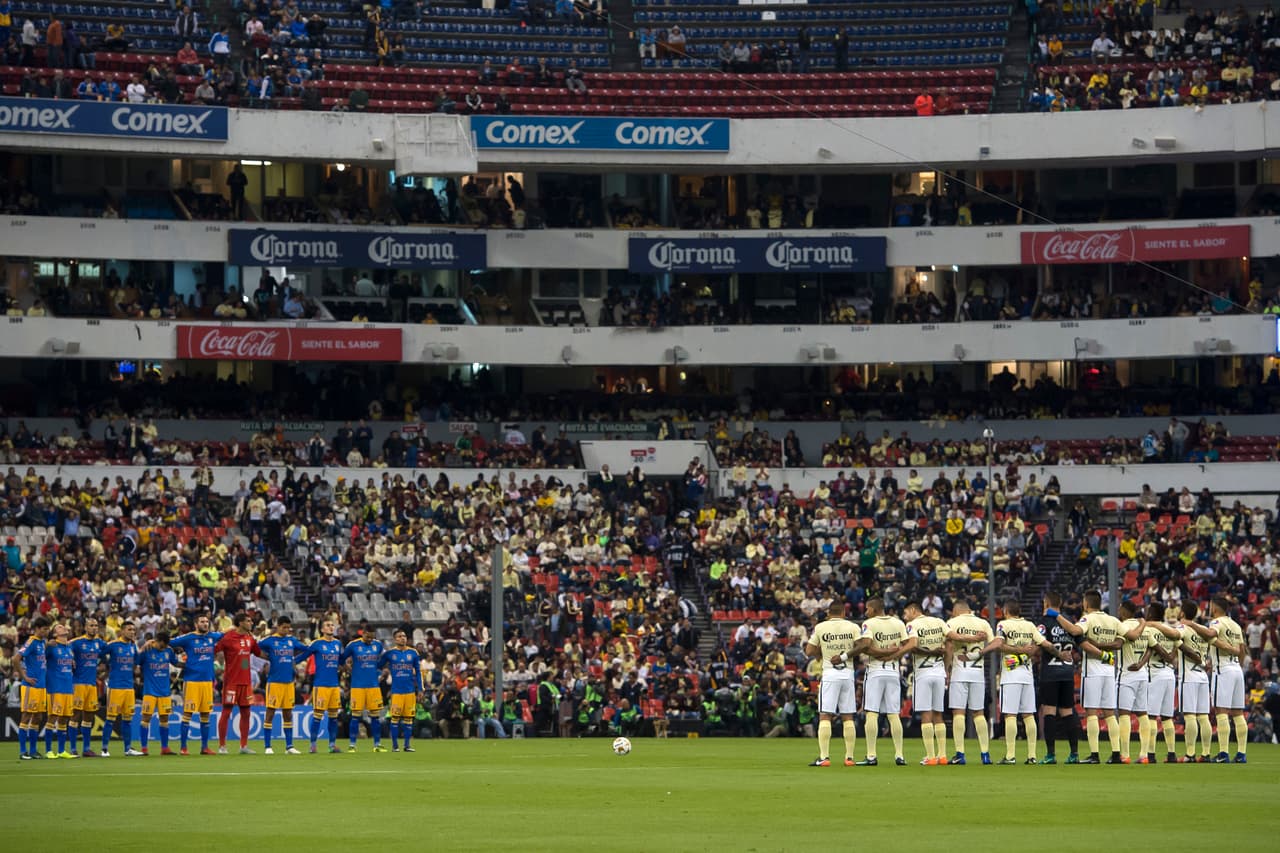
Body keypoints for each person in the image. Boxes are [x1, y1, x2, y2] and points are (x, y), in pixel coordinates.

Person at [1052, 590, 1130, 763]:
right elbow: (1129, 636)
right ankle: (1116, 753)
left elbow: (1073, 630)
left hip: (1093, 671)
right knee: (1110, 713)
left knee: (1092, 712)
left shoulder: (1088, 619)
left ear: (1086, 604)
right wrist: (1141, 624)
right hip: (1109, 670)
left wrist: (1057, 616)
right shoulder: (1113, 620)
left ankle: (1094, 754)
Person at [996, 599, 1067, 764]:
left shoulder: (1003, 625)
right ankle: (1032, 756)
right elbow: (1046, 644)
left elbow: (999, 645)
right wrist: (1060, 654)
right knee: (1028, 715)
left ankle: (1010, 756)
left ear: (1006, 612)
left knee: (1010, 716)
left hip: (1011, 676)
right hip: (1027, 676)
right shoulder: (1030, 626)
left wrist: (1017, 650)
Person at [802, 601, 859, 766]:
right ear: (843, 612)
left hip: (829, 673)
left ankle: (824, 757)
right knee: (848, 716)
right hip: (847, 673)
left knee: (825, 715)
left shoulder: (821, 627)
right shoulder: (852, 627)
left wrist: (824, 651)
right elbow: (861, 646)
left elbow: (809, 650)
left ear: (829, 613)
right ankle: (849, 758)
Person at [945, 599, 997, 765]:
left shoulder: (952, 622)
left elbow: (949, 647)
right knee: (978, 713)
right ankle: (985, 754)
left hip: (960, 672)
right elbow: (997, 642)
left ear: (956, 611)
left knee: (958, 713)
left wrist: (947, 668)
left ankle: (960, 754)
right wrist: (981, 652)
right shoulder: (983, 623)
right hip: (977, 673)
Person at [857, 599, 907, 766]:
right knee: (893, 714)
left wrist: (882, 652)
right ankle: (899, 755)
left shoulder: (869, 624)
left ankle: (871, 756)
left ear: (873, 609)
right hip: (893, 671)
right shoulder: (898, 623)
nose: (865, 612)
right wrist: (893, 653)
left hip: (876, 671)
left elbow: (865, 646)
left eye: (867, 609)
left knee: (872, 712)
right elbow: (907, 646)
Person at [1035, 591, 1080, 764]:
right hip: (1068, 674)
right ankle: (1074, 754)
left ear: (1046, 604)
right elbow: (1078, 643)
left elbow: (1040, 645)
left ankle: (1050, 755)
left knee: (1049, 712)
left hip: (1050, 674)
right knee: (1068, 712)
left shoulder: (1044, 623)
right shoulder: (1068, 622)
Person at [170, 614, 224, 756]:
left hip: (207, 681)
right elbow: (168, 643)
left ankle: (204, 747)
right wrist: (175, 661)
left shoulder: (213, 636)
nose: (205, 624)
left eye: (207, 621)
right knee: (188, 713)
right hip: (192, 680)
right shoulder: (188, 638)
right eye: (202, 622)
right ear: (196, 624)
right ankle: (183, 748)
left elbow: (228, 634)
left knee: (205, 714)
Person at [902, 600, 948, 765]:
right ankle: (942, 756)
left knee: (926, 715)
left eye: (906, 613)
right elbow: (950, 639)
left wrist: (929, 651)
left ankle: (930, 757)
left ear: (914, 610)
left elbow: (913, 646)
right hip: (939, 673)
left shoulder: (912, 626)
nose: (905, 617)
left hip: (923, 673)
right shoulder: (939, 621)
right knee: (938, 714)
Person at [1205, 597, 1248, 763]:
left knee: (1221, 711)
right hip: (1237, 669)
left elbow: (1211, 635)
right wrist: (1239, 666)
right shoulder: (1235, 625)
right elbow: (1242, 649)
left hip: (1223, 669)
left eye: (1210, 606)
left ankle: (1223, 753)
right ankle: (1241, 754)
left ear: (1215, 608)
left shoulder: (1216, 623)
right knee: (1238, 713)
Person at [213, 612, 262, 755]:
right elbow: (214, 650)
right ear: (240, 623)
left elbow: (258, 653)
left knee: (246, 713)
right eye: (248, 621)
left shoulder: (250, 638)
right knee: (226, 712)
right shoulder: (228, 638)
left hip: (246, 682)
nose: (251, 623)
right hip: (231, 682)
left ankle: (244, 746)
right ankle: (222, 746)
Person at [259, 616, 306, 755]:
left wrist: (296, 660)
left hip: (288, 683)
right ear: (278, 626)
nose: (286, 630)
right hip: (274, 682)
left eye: (288, 627)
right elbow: (255, 647)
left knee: (288, 714)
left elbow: (307, 649)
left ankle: (289, 746)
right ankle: (268, 746)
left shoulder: (292, 640)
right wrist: (265, 660)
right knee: (270, 713)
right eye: (283, 627)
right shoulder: (270, 640)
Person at [1116, 599, 1155, 764]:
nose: (1118, 611)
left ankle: (1124, 754)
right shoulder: (1144, 628)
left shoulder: (1123, 626)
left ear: (1124, 611)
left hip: (1127, 675)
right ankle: (1144, 755)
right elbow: (1152, 647)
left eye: (1120, 609)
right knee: (1142, 714)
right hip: (1142, 674)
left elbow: (1118, 644)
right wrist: (1141, 664)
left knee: (1124, 714)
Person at [1175, 600, 1214, 762]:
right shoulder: (1204, 630)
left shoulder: (1182, 628)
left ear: (1183, 613)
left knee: (1190, 716)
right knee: (1203, 717)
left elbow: (1173, 638)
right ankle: (1205, 754)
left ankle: (1190, 754)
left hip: (1189, 676)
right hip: (1203, 677)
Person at [300, 620, 343, 753]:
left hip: (334, 685)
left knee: (334, 717)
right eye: (328, 625)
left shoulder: (337, 643)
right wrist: (291, 662)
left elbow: (340, 660)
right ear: (322, 630)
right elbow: (304, 655)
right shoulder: (317, 643)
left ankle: (332, 745)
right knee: (317, 716)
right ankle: (313, 745)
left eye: (332, 625)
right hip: (321, 685)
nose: (331, 627)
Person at [100, 621, 142, 758]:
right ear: (122, 631)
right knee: (110, 718)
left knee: (127, 719)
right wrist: (106, 665)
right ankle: (104, 749)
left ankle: (128, 748)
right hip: (115, 687)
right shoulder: (113, 645)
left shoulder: (132, 646)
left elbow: (136, 661)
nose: (132, 632)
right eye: (129, 629)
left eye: (134, 630)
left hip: (129, 687)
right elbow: (100, 653)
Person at [342, 626, 386, 752]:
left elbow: (384, 659)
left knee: (375, 716)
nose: (370, 639)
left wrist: (382, 670)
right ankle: (352, 745)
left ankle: (377, 745)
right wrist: (347, 667)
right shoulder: (353, 645)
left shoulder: (377, 645)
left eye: (372, 637)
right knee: (355, 716)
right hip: (357, 686)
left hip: (373, 686)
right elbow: (342, 658)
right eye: (368, 637)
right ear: (363, 633)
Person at [379, 629, 423, 752]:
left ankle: (407, 745)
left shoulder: (413, 653)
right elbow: (379, 664)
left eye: (404, 636)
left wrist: (420, 689)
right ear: (395, 639)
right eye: (399, 636)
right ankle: (395, 746)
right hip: (397, 691)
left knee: (409, 719)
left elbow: (418, 673)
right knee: (395, 719)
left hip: (410, 691)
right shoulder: (390, 653)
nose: (403, 638)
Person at [69, 616, 107, 757]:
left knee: (88, 716)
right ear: (85, 627)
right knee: (76, 715)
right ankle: (73, 749)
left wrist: (105, 669)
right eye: (91, 625)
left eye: (95, 625)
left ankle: (86, 749)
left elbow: (110, 650)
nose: (94, 628)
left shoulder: (99, 643)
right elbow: (64, 647)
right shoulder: (77, 642)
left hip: (92, 684)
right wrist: (70, 660)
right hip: (78, 683)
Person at [16, 615, 50, 760]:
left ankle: (33, 750)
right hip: (31, 686)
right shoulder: (31, 642)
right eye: (44, 629)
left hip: (41, 686)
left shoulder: (42, 642)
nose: (46, 632)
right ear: (36, 629)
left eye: (47, 629)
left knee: (38, 716)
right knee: (26, 716)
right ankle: (23, 751)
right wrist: (24, 677)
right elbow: (16, 658)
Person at [138, 630, 177, 756]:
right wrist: (143, 647)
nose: (163, 648)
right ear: (157, 641)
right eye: (162, 646)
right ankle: (144, 748)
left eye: (165, 646)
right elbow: (136, 661)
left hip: (165, 691)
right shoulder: (147, 650)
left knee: (164, 719)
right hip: (150, 691)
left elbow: (175, 662)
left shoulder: (169, 651)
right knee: (146, 718)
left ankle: (164, 748)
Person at [46, 622, 77, 758]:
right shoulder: (52, 646)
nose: (63, 627)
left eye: (63, 626)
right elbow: (40, 658)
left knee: (64, 718)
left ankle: (61, 751)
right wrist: (46, 644)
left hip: (68, 687)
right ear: (54, 634)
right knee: (53, 717)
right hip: (55, 687)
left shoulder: (69, 647)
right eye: (59, 627)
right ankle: (48, 751)